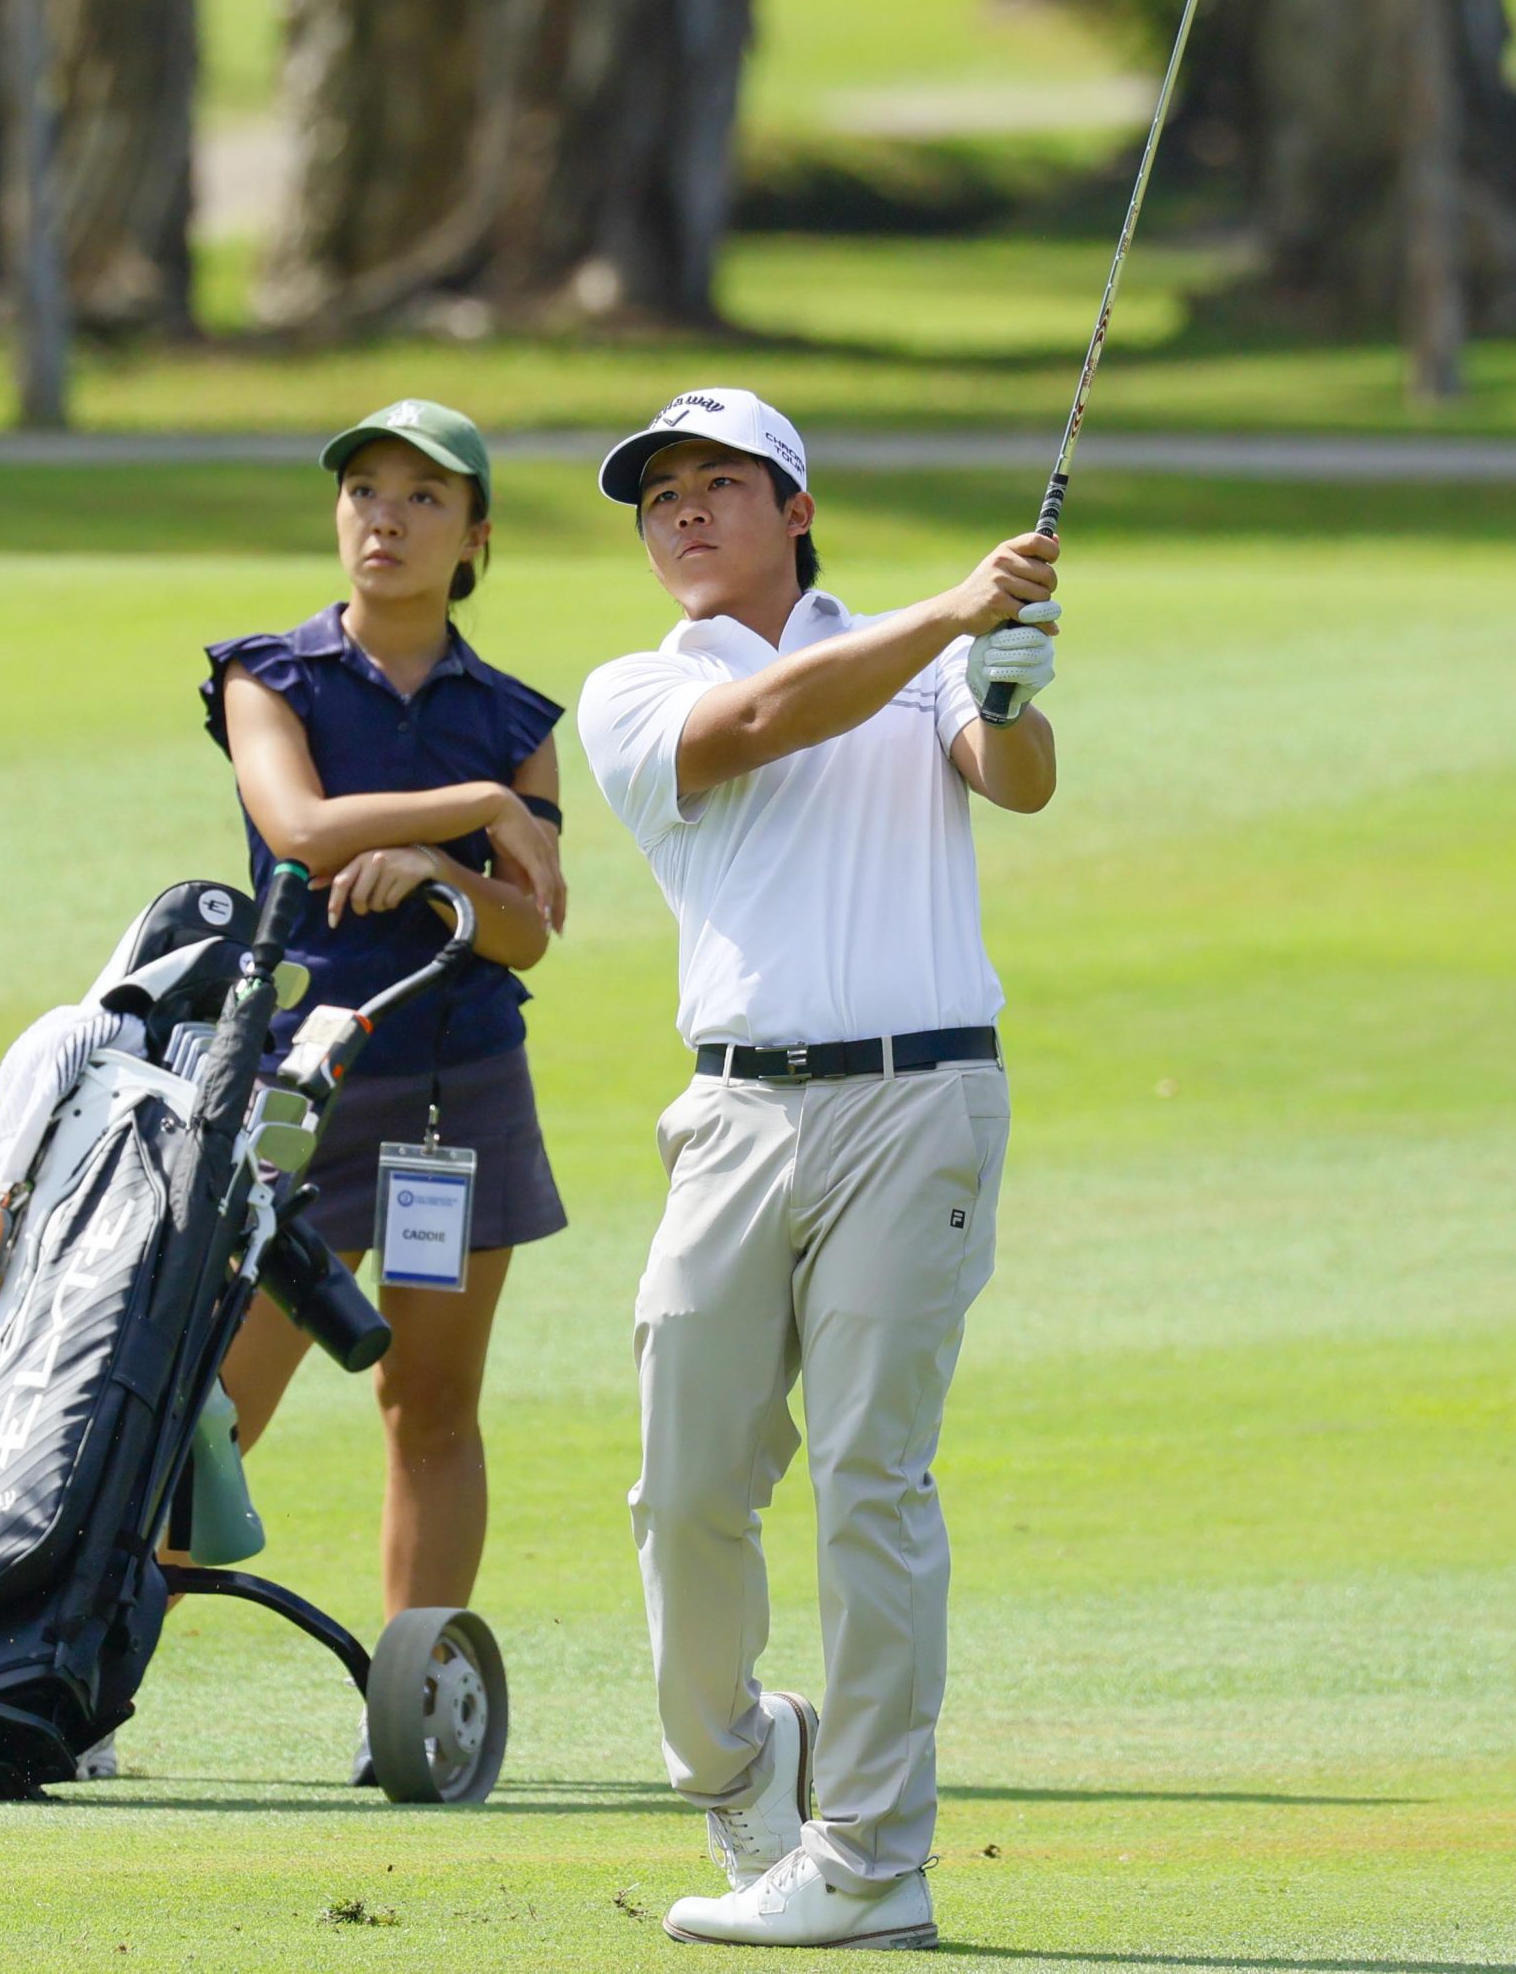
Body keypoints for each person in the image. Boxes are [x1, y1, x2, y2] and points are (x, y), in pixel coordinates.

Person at [573, 387, 1059, 1951]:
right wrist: (952, 613)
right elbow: (761, 723)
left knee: (869, 1471)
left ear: (795, 507)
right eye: (659, 498)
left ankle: (866, 1855)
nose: (686, 512)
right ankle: (735, 1758)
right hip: (730, 1119)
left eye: (722, 483)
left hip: (919, 1103)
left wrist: (1003, 676)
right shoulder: (632, 693)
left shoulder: (911, 665)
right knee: (684, 1484)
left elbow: (1018, 777)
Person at [199, 397, 572, 1642]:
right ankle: (95, 1679)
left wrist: (444, 875)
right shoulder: (273, 677)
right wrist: (469, 810)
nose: (387, 521)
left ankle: (411, 1699)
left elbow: (527, 931)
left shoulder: (516, 718)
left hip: (454, 1085)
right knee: (213, 1406)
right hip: (295, 1089)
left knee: (433, 1405)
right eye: (365, 492)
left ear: (475, 534)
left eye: (424, 499)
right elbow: (297, 832)